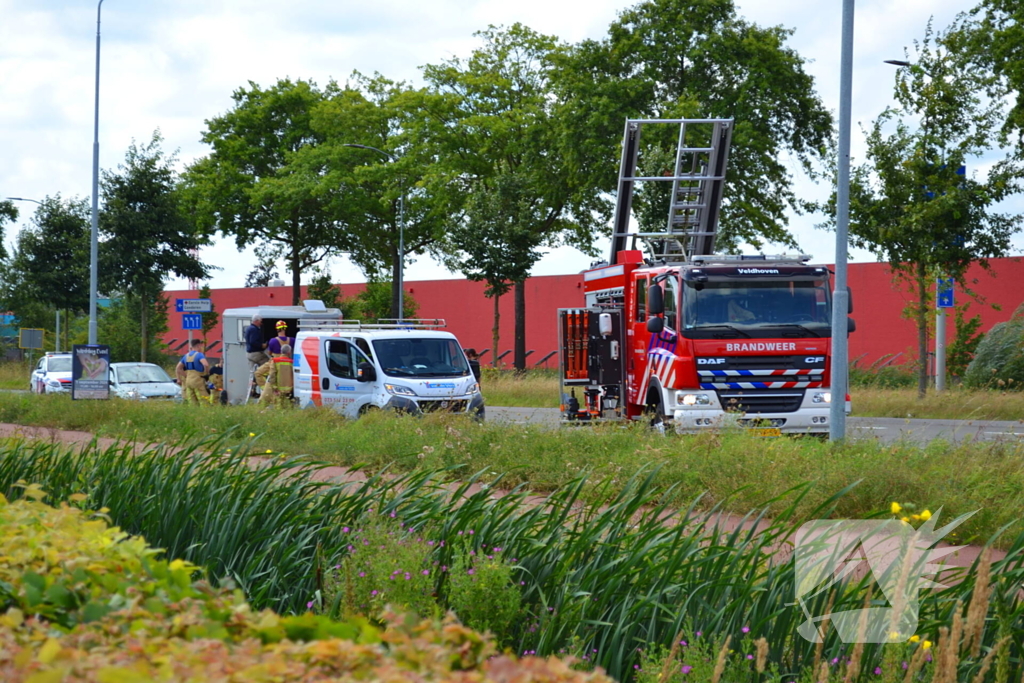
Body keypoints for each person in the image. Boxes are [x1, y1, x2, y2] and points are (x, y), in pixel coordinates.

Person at [175, 339, 210, 405]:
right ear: (198, 346)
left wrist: (185, 376)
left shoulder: (186, 356)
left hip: (188, 381)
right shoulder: (200, 355)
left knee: (192, 399)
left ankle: (193, 410)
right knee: (203, 398)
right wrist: (207, 373)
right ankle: (205, 410)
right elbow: (206, 364)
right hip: (198, 380)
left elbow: (178, 368)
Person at [262, 343, 294, 408]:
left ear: (281, 351)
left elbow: (272, 375)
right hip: (290, 390)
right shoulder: (292, 362)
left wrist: (274, 387)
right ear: (289, 353)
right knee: (288, 407)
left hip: (278, 390)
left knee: (278, 406)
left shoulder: (275, 361)